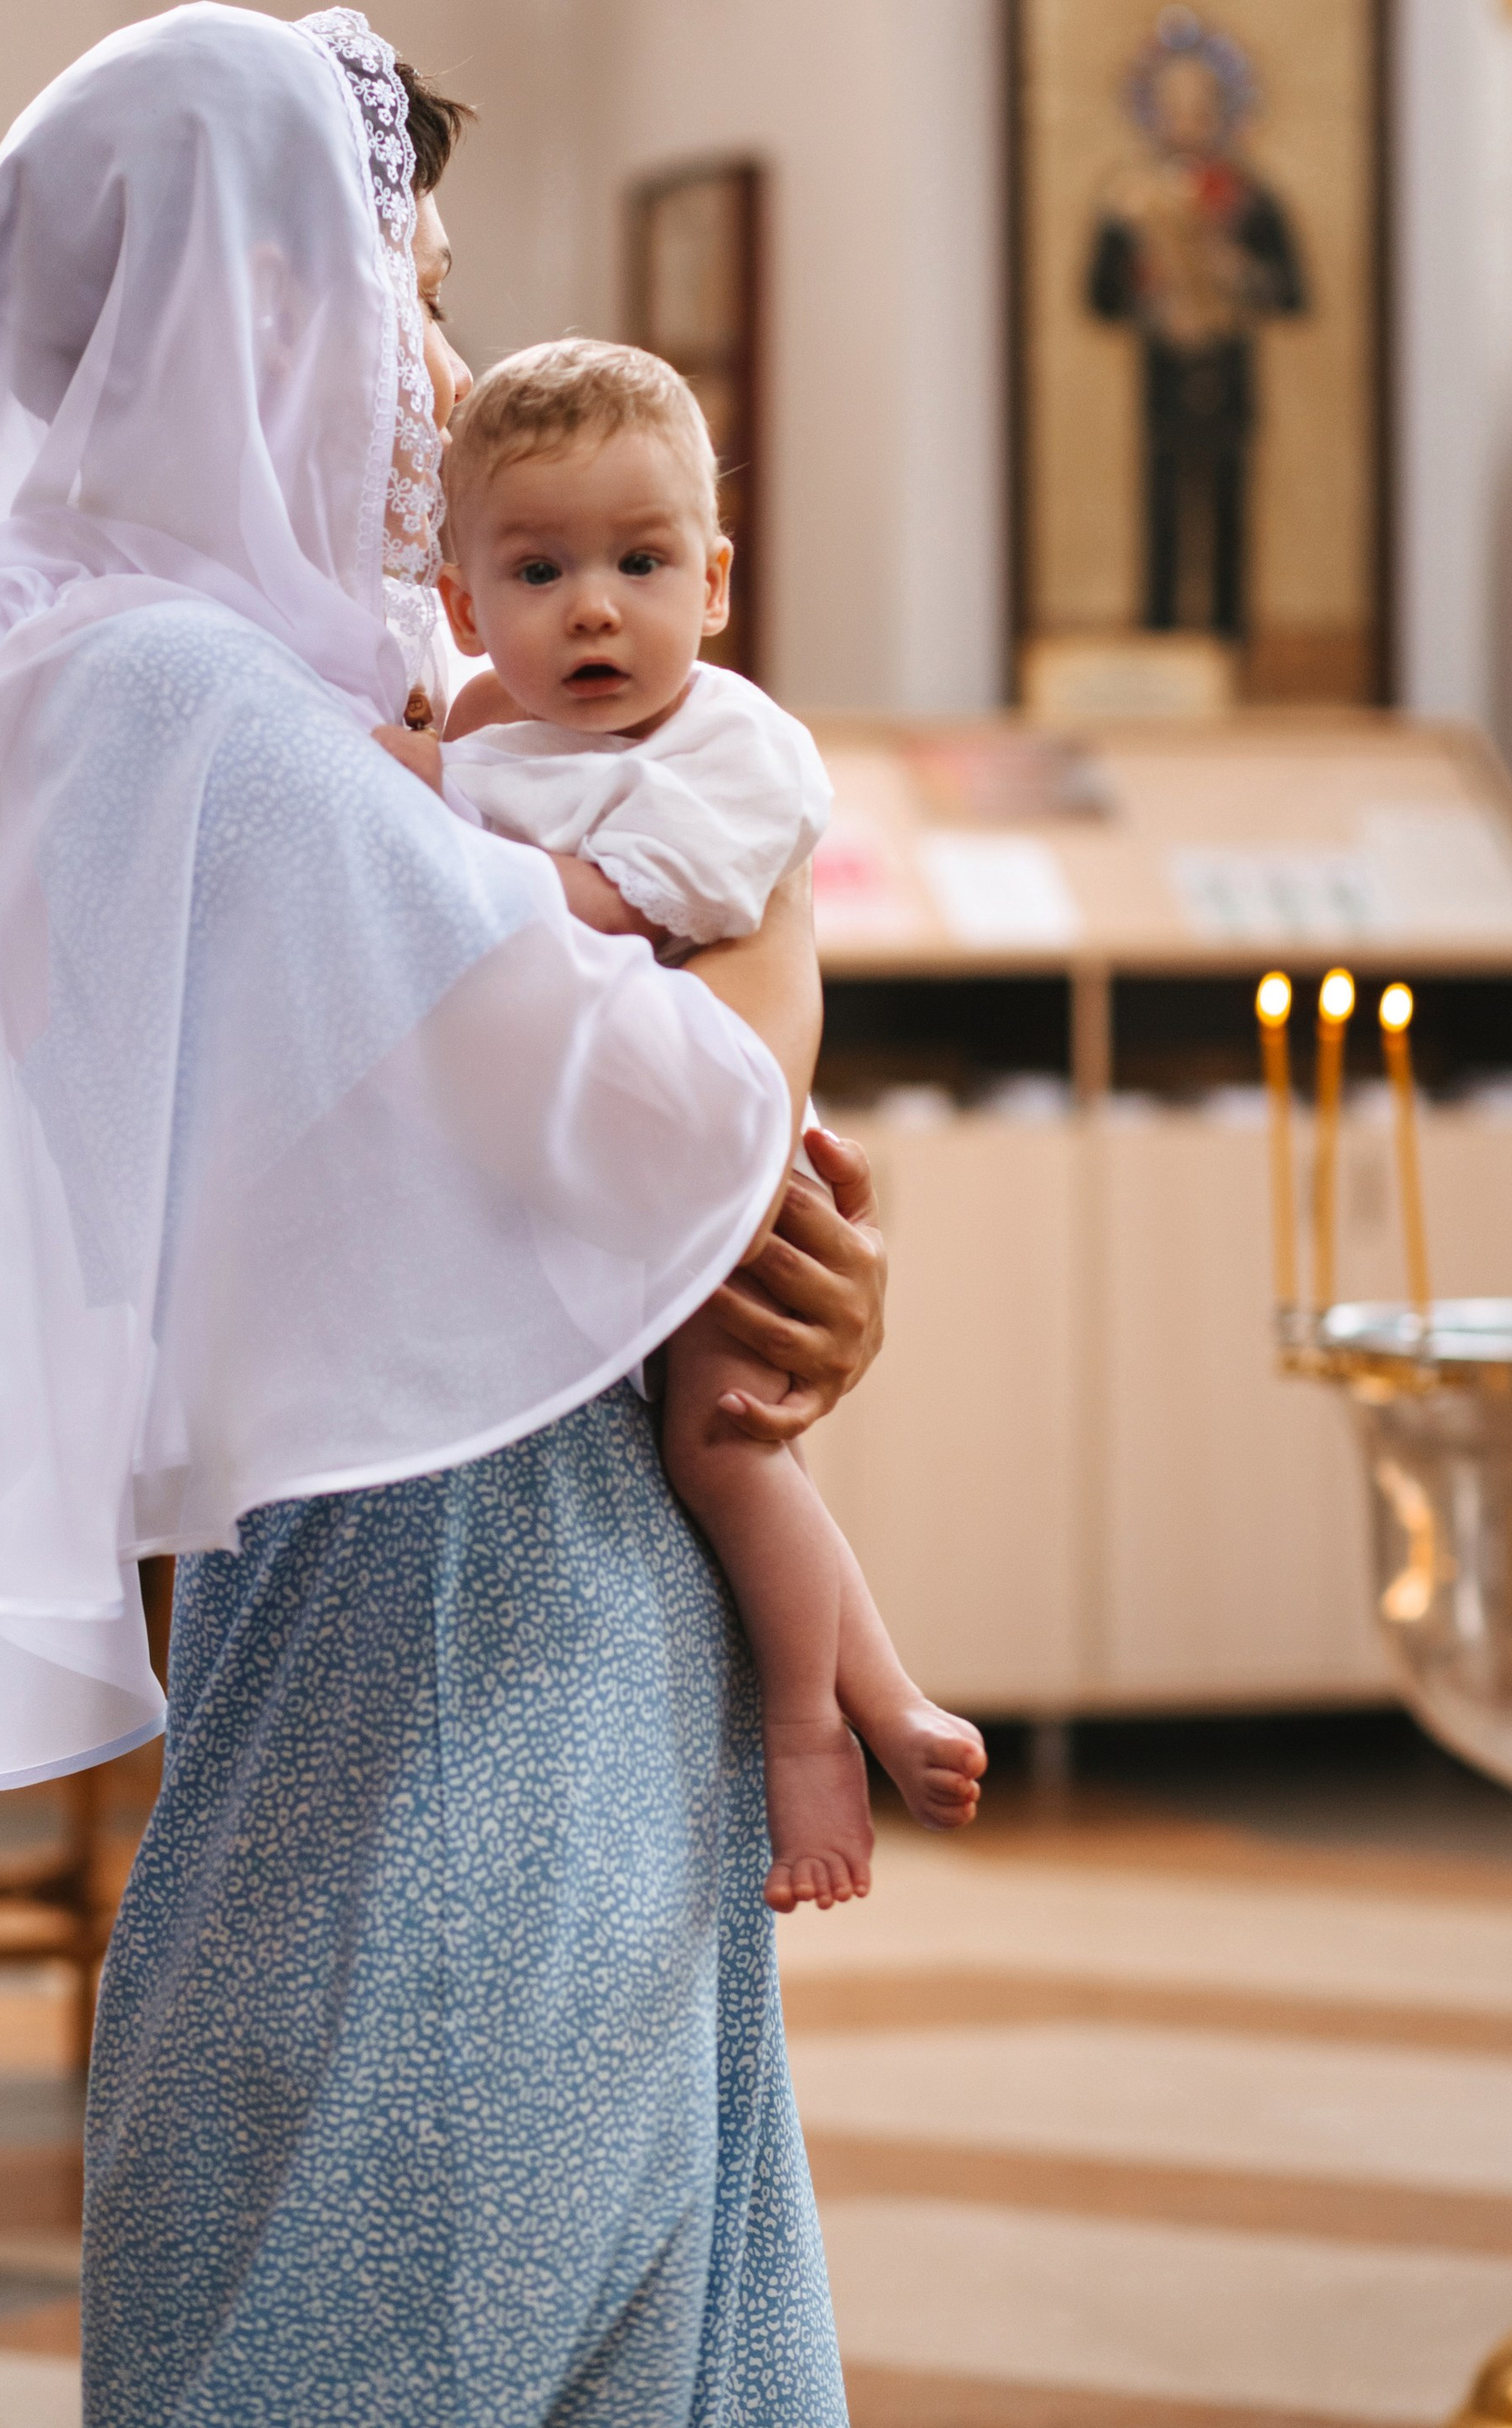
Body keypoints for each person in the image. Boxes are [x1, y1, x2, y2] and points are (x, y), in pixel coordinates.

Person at [0, 3, 884, 2423]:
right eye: (414, 291)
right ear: (258, 302)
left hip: (505, 1640)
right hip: (460, 1678)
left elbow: (579, 1156)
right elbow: (684, 1104)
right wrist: (779, 979)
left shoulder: (223, 688)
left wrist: (782, 1264)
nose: (442, 370)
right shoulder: (181, 702)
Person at [378, 336, 986, 1912]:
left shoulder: (726, 744)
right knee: (715, 1447)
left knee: (724, 1445)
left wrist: (413, 815)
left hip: (717, 1182)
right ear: (463, 607)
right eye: (541, 569)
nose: (594, 606)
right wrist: (424, 779)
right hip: (538, 1220)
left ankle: (825, 1723)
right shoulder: (489, 741)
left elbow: (639, 902)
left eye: (642, 562)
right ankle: (882, 1696)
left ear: (714, 584)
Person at [1084, 7, 1307, 641]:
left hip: (1229, 379)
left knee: (1229, 517)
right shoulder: (1129, 196)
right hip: (1163, 382)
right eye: (1173, 103)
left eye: (1201, 101)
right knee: (1163, 517)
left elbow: (1292, 293)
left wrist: (1238, 273)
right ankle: (1160, 647)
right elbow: (1098, 295)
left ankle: (1230, 648)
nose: (1188, 116)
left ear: (1225, 107)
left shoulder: (1250, 199)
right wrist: (1144, 289)